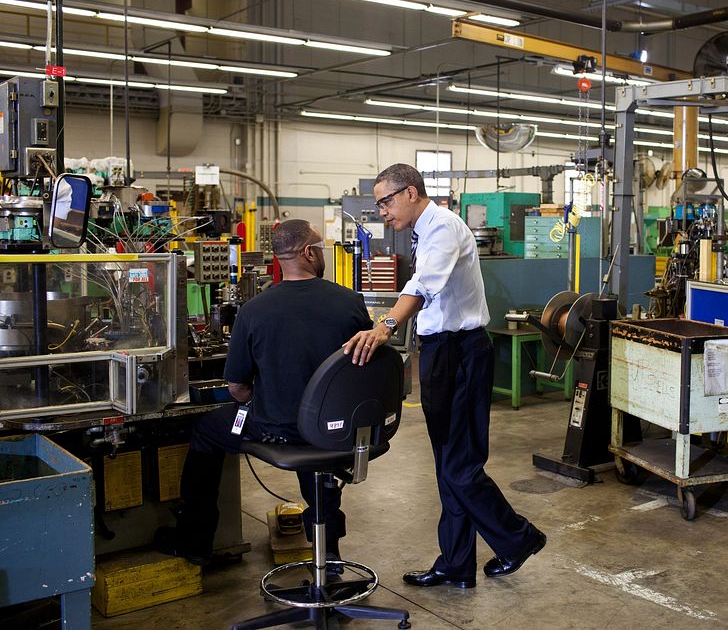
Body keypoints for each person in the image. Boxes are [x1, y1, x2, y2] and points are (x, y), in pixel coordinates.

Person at [344, 163, 544, 589]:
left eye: (386, 201)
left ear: (412, 192)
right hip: (440, 352)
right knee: (447, 464)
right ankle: (456, 562)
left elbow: (425, 282)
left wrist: (385, 327)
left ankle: (518, 538)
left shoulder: (444, 227)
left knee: (461, 465)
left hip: (461, 354)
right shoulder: (423, 229)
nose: (382, 211)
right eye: (379, 203)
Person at [157, 219, 372, 566]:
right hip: (337, 429)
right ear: (308, 253)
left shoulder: (254, 310)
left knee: (206, 431)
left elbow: (238, 389)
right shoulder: (350, 302)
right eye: (320, 248)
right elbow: (365, 369)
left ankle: (195, 540)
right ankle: (328, 548)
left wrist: (262, 397)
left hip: (277, 429)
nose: (323, 254)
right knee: (316, 440)